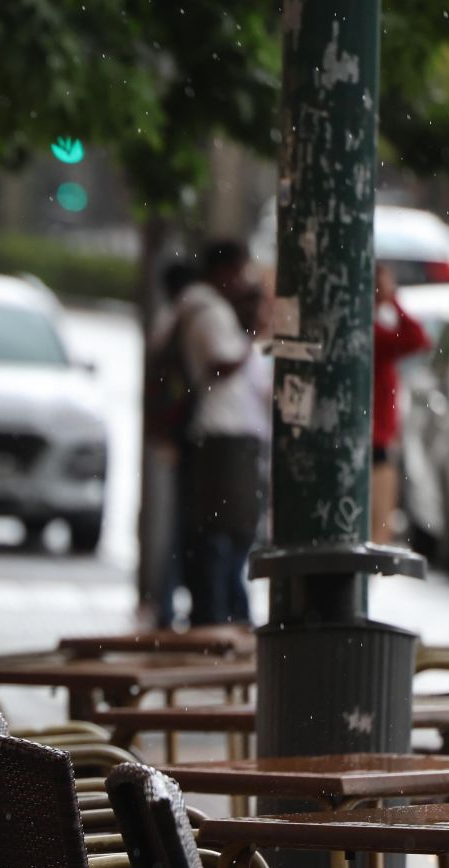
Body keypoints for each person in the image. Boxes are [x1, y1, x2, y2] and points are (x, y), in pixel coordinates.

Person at [177, 244, 269, 625]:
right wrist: (251, 336)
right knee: (226, 533)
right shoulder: (209, 310)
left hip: (228, 436)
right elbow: (222, 363)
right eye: (241, 272)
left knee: (226, 532)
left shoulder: (204, 308)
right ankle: (219, 614)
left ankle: (222, 610)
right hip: (223, 436)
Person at [137, 260, 199, 630]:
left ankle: (164, 602)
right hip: (182, 438)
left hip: (172, 436)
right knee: (181, 527)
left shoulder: (168, 320)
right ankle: (163, 603)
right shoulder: (179, 321)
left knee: (179, 526)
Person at [372, 262, 432, 544]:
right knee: (377, 525)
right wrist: (392, 298)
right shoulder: (373, 335)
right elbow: (418, 337)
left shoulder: (373, 331)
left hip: (378, 437)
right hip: (374, 441)